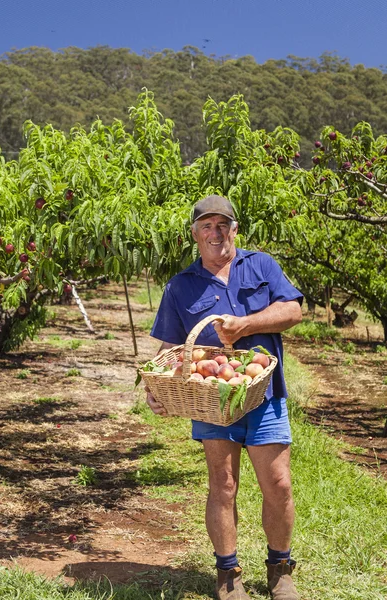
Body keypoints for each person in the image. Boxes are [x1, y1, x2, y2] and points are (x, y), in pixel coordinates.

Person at [146, 195, 303, 600]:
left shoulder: (261, 265)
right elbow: (169, 345)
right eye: (206, 226)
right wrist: (157, 387)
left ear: (235, 229)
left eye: (222, 225)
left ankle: (280, 567)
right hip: (211, 399)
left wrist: (246, 325)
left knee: (278, 484)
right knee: (223, 484)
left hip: (263, 392)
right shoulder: (181, 286)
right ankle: (227, 574)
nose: (215, 233)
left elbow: (292, 311)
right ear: (195, 234)